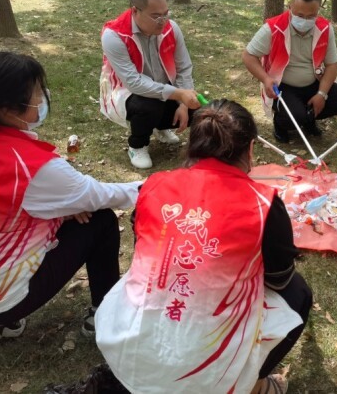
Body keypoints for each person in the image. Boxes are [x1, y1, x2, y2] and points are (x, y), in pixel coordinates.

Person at [95, 99, 312, 394]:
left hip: (128, 345)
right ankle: (254, 385)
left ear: (193, 145)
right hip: (205, 371)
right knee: (298, 292)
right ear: (250, 149)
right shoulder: (263, 203)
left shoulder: (153, 185)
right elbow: (279, 279)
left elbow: (148, 248)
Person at [0, 52, 142, 341]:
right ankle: (104, 313)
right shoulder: (30, 167)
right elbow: (101, 196)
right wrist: (161, 185)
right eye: (36, 91)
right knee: (100, 220)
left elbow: (5, 204)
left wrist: (63, 207)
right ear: (7, 109)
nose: (43, 96)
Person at [100, 0, 201, 169]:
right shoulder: (114, 35)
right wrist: (179, 94)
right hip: (129, 93)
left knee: (199, 109)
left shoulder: (171, 28)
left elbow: (184, 68)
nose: (163, 21)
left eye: (165, 14)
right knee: (148, 106)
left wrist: (183, 103)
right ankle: (137, 145)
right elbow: (134, 83)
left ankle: (162, 128)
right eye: (156, 16)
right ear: (135, 11)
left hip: (167, 88)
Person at [242, 0, 337, 143]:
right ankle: (281, 124)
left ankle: (308, 118)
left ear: (318, 12)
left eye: (311, 16)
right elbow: (248, 56)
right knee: (295, 115)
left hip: (313, 82)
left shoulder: (325, 29)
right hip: (282, 86)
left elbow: (332, 65)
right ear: (290, 8)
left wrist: (321, 94)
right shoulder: (273, 28)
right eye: (300, 15)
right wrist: (266, 79)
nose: (305, 21)